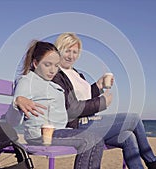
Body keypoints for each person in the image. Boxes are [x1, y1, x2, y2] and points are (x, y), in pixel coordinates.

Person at [14, 33, 156, 169]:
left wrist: (98, 86)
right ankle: (153, 163)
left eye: (75, 52)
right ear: (59, 50)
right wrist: (101, 103)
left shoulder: (76, 73)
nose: (71, 55)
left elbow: (82, 98)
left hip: (88, 121)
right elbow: (71, 108)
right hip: (77, 124)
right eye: (67, 50)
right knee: (133, 119)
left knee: (128, 136)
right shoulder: (54, 74)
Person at [7, 40, 104, 169]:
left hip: (61, 131)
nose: (53, 70)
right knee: (91, 140)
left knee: (96, 138)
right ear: (35, 63)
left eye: (56, 65)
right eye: (48, 65)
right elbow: (12, 121)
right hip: (42, 135)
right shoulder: (27, 81)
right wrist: (18, 101)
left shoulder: (52, 84)